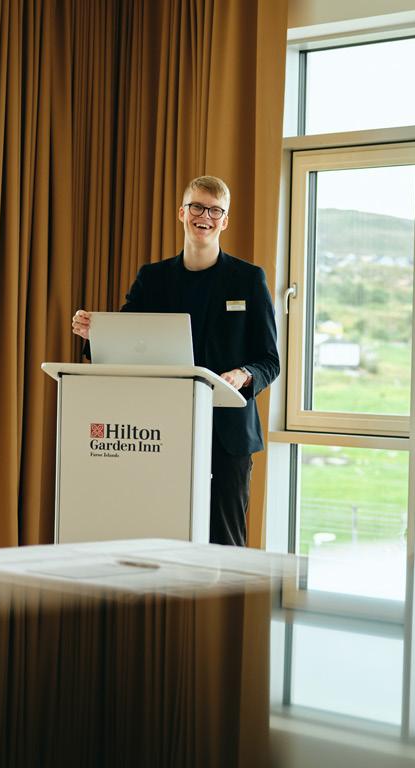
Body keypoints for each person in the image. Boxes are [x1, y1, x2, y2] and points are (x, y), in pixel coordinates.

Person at [71, 175, 280, 546]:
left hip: (228, 435)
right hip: (162, 431)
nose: (205, 216)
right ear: (182, 213)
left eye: (215, 211)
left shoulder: (248, 279)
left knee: (225, 542)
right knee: (163, 537)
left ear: (225, 221)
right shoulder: (153, 279)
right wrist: (93, 333)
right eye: (197, 207)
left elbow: (269, 360)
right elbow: (125, 339)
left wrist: (243, 374)